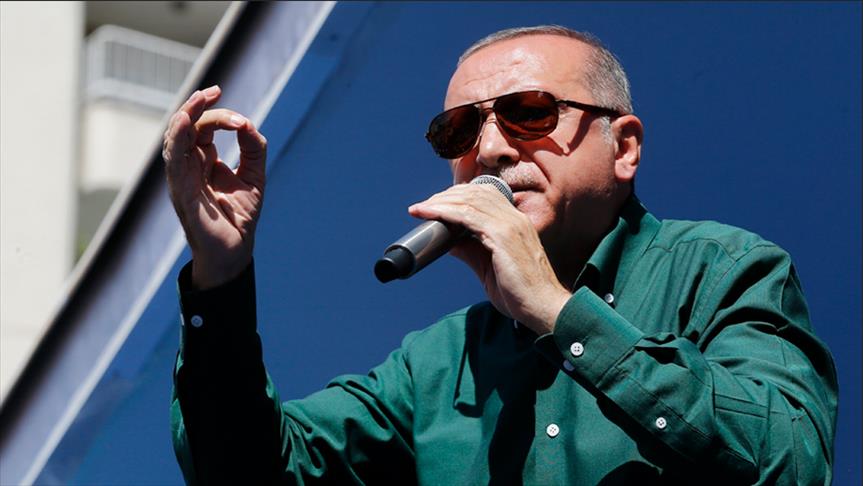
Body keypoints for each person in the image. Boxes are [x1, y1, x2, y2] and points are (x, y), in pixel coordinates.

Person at [163, 25, 837, 485]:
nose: (488, 149)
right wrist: (219, 274)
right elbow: (247, 471)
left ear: (624, 147)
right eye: (458, 130)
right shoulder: (433, 365)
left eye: (530, 112)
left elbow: (790, 462)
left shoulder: (722, 269)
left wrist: (556, 312)